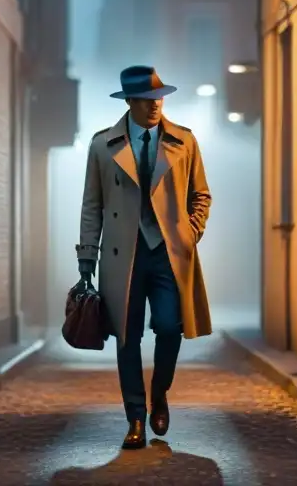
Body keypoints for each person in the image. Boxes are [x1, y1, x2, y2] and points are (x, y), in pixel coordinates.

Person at [76, 65, 213, 450]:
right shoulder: (103, 145)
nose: (155, 106)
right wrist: (87, 256)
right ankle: (135, 418)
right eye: (147, 100)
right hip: (123, 256)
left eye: (159, 98)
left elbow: (201, 195)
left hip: (169, 254)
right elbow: (93, 205)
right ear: (131, 103)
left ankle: (160, 393)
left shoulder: (184, 141)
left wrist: (190, 231)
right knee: (126, 338)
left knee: (170, 327)